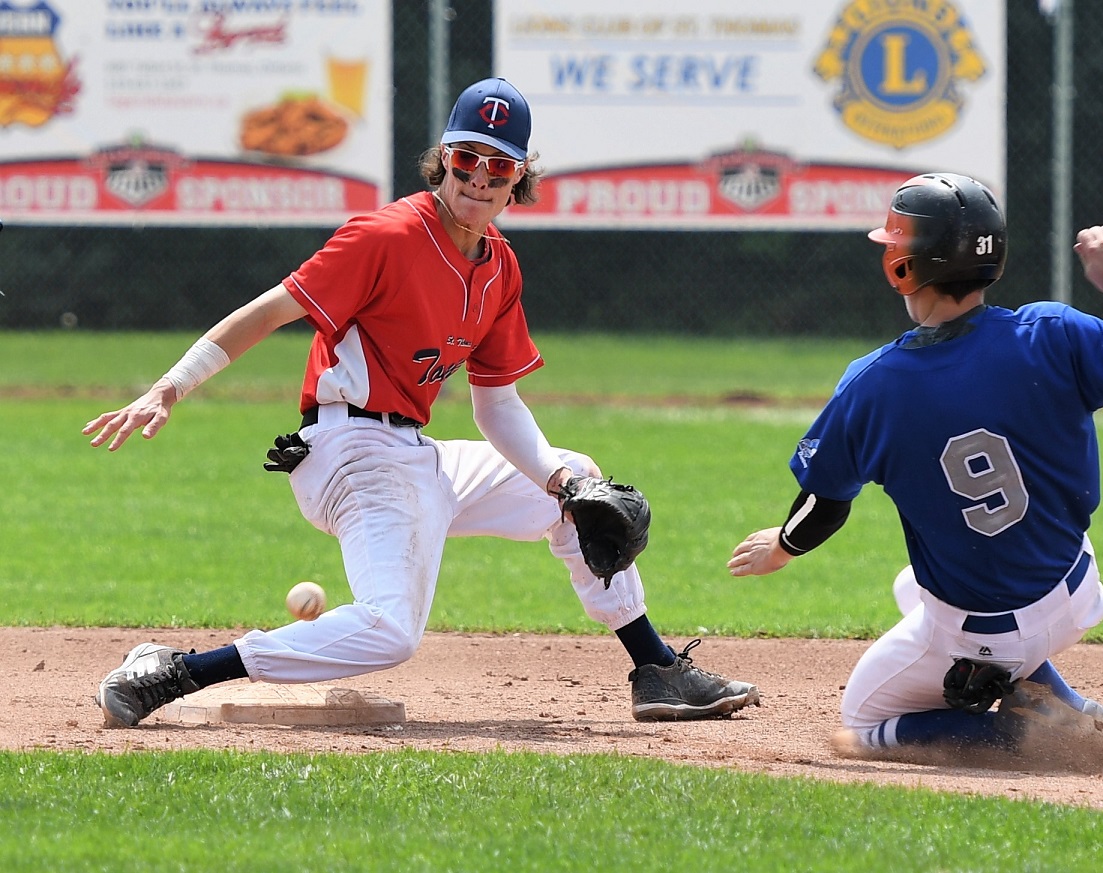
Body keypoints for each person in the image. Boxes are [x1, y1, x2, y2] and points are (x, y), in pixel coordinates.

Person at [85, 77, 759, 728]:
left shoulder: (500, 267)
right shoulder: (385, 236)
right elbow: (269, 312)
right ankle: (174, 670)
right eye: (467, 159)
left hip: (412, 452)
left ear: (519, 178)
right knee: (391, 631)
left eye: (499, 166)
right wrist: (170, 385)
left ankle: (656, 668)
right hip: (348, 450)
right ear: (443, 160)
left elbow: (497, 406)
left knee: (581, 487)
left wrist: (562, 483)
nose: (479, 178)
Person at [727, 172, 1103, 757]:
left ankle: (1032, 734)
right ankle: (1049, 693)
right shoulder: (1052, 333)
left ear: (902, 267)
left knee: (860, 726)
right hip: (1076, 593)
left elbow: (824, 505)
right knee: (909, 585)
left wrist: (783, 547)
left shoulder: (874, 384)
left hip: (980, 632)